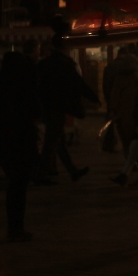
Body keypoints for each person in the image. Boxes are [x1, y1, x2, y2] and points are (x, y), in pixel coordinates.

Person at [36, 25, 98, 183]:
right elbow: (78, 83)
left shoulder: (44, 65)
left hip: (46, 106)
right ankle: (41, 174)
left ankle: (72, 170)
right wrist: (94, 98)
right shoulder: (64, 65)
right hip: (58, 107)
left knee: (57, 141)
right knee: (51, 142)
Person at [0, 51, 40, 242]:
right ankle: (16, 227)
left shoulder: (0, 87)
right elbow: (34, 111)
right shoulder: (23, 86)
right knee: (19, 185)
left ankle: (14, 226)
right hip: (21, 139)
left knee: (14, 184)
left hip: (5, 140)